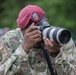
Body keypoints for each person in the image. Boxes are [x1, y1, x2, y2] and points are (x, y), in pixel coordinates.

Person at [0, 5, 76, 75]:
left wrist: (57, 54)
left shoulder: (61, 36)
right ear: (21, 30)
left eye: (42, 24)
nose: (39, 31)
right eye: (32, 29)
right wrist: (24, 49)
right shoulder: (10, 40)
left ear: (46, 20)